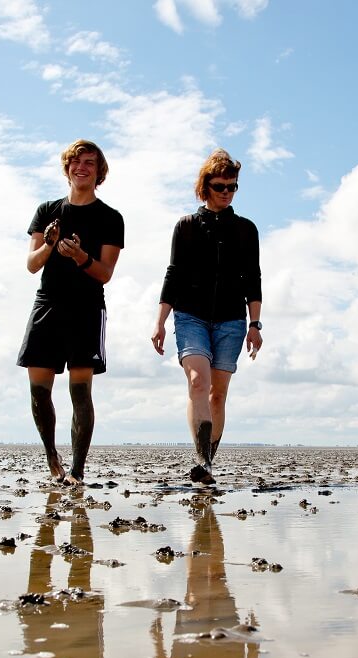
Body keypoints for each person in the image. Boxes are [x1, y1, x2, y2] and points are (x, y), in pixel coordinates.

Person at [151, 149, 263, 486]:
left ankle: (207, 466)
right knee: (198, 382)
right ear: (205, 187)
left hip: (231, 320)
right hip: (190, 316)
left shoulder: (246, 230)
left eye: (233, 187)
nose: (227, 192)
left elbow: (253, 279)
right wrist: (159, 321)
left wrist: (255, 325)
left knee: (218, 394)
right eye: (220, 186)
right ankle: (202, 460)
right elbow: (173, 276)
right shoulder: (186, 226)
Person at [18, 139, 124, 485]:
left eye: (90, 163)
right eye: (76, 162)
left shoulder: (110, 218)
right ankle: (52, 456)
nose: (82, 167)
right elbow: (32, 265)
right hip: (48, 303)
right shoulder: (47, 210)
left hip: (87, 308)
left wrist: (81, 257)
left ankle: (77, 470)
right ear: (67, 169)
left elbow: (105, 272)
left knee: (80, 393)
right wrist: (50, 244)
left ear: (99, 172)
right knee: (39, 392)